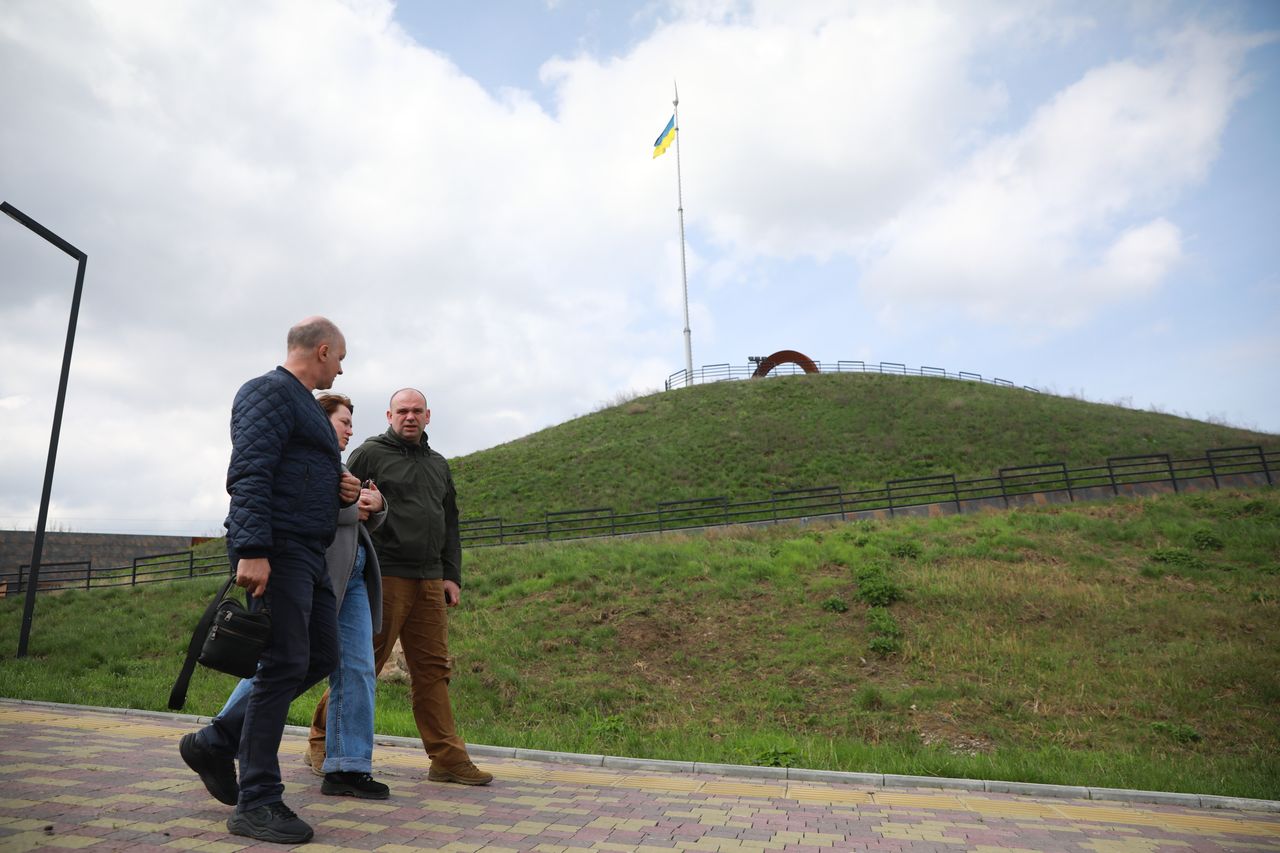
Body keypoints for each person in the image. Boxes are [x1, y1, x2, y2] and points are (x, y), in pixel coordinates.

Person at [179, 316, 360, 845]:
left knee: (320, 656)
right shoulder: (268, 392)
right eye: (341, 357)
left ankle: (216, 741)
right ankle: (257, 800)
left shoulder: (302, 403)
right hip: (277, 550)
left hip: (309, 550)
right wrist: (254, 550)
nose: (343, 367)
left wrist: (338, 488)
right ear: (322, 350)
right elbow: (251, 471)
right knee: (282, 663)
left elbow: (294, 474)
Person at [213, 392, 391, 801]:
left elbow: (355, 518)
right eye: (343, 421)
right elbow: (313, 510)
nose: (350, 429)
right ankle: (219, 735)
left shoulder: (340, 467)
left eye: (351, 422)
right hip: (316, 576)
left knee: (358, 667)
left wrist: (376, 506)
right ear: (318, 421)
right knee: (281, 664)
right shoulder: (306, 461)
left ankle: (349, 766)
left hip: (354, 578)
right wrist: (353, 504)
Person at [315, 387, 492, 786]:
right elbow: (343, 504)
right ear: (389, 415)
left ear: (428, 416)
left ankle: (447, 758)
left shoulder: (438, 464)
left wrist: (451, 574)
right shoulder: (369, 454)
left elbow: (450, 523)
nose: (409, 417)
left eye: (416, 411)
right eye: (402, 411)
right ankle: (323, 738)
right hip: (384, 575)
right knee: (364, 665)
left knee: (433, 670)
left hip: (429, 578)